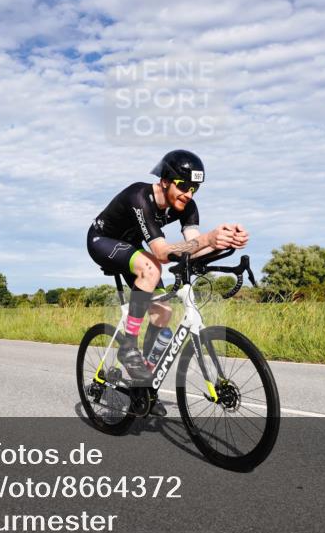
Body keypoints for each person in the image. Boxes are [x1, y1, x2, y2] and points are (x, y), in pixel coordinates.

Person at [87, 150, 248, 415]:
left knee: (163, 312)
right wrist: (208, 238)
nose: (189, 194)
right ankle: (128, 347)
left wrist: (224, 242)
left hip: (132, 247)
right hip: (102, 241)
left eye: (195, 188)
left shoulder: (188, 206)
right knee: (152, 268)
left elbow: (192, 249)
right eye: (183, 185)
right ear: (164, 181)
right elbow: (162, 253)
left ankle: (143, 387)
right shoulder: (140, 197)